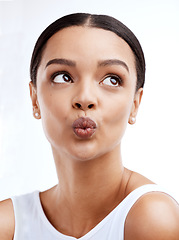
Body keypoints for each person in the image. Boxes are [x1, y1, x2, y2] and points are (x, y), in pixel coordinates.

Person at [0, 13, 178, 240]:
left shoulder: (153, 217)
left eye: (112, 79)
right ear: (34, 98)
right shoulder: (8, 225)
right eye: (63, 77)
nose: (84, 98)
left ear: (135, 104)